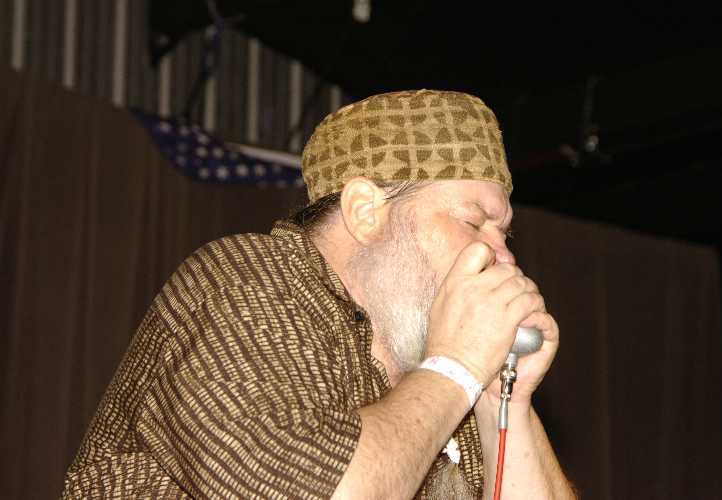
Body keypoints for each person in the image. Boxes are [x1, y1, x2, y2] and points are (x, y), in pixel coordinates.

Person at [63, 89, 576, 499]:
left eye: (504, 235)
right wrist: (458, 365)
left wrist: (502, 397)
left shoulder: (439, 379)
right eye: (473, 222)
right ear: (365, 212)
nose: (503, 257)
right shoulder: (246, 279)